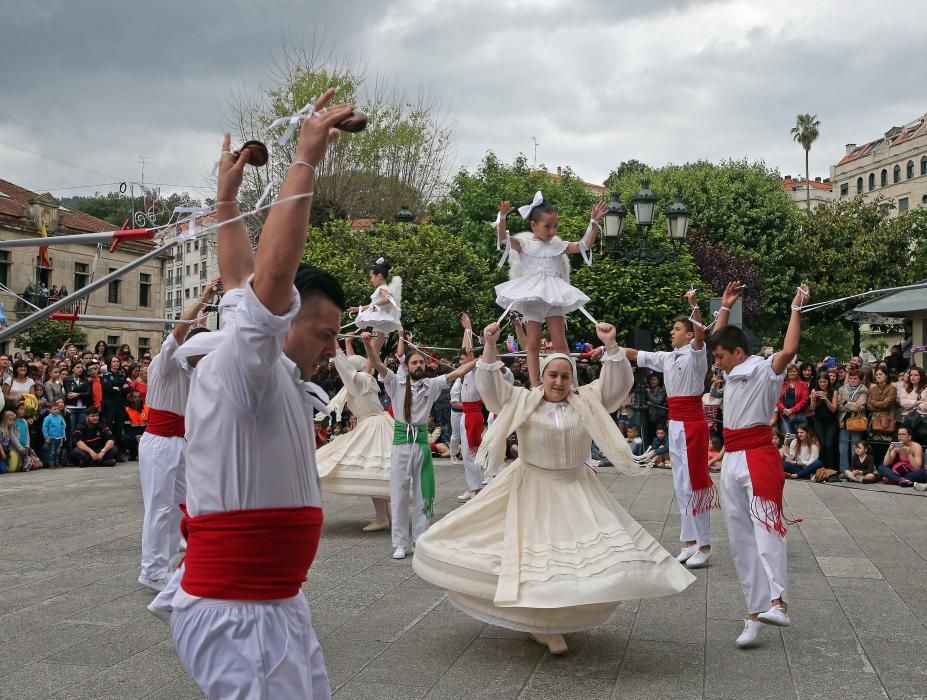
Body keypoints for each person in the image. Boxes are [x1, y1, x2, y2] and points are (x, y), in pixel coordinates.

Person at [169, 93, 354, 699]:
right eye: (324, 335)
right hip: (237, 613)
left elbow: (239, 281)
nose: (332, 350)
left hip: (276, 604)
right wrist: (305, 159)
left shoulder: (260, 367)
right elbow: (267, 282)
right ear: (285, 318)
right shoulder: (242, 366)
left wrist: (226, 204)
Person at [413, 320, 694, 655]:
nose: (559, 382)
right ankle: (542, 624)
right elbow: (491, 390)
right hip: (531, 486)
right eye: (553, 375)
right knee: (536, 558)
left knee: (577, 560)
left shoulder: (586, 400)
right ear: (542, 376)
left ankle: (555, 620)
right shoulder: (523, 400)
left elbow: (616, 387)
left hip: (576, 487)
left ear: (572, 378)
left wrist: (613, 346)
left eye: (565, 376)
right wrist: (489, 344)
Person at [708, 281, 809, 648]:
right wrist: (725, 306)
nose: (715, 364)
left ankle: (779, 602)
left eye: (719, 357)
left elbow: (789, 349)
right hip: (732, 458)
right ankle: (754, 614)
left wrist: (796, 308)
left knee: (767, 529)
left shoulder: (766, 369)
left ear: (737, 352)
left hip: (758, 458)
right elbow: (719, 339)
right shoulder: (730, 370)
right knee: (739, 540)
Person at [362, 331, 476, 559]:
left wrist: (484, 356)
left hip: (422, 443)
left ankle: (420, 539)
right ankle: (401, 543)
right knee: (399, 492)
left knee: (423, 493)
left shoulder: (432, 385)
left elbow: (459, 371)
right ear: (408, 366)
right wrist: (367, 343)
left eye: (422, 361)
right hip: (401, 443)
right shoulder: (395, 382)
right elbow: (375, 362)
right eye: (414, 362)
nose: (419, 365)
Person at [137, 285, 219, 592]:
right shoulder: (166, 363)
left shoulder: (192, 370)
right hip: (159, 442)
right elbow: (181, 332)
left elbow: (196, 332)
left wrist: (204, 317)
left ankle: (169, 561)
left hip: (181, 442)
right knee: (159, 507)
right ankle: (152, 570)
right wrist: (203, 299)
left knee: (181, 505)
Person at [626, 291, 715, 568]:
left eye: (677, 329)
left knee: (695, 483)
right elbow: (637, 354)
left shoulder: (696, 355)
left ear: (689, 335)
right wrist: (608, 348)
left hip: (692, 425)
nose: (672, 332)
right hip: (675, 424)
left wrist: (694, 306)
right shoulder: (668, 357)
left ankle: (705, 544)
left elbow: (701, 333)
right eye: (673, 329)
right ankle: (688, 542)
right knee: (680, 484)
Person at [493, 194, 607, 387]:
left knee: (560, 342)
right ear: (533, 225)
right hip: (532, 296)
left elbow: (584, 245)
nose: (552, 231)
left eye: (555, 226)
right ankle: (536, 384)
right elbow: (503, 238)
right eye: (547, 226)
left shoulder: (558, 245)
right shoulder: (524, 244)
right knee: (533, 343)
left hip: (554, 295)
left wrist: (593, 222)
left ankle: (571, 384)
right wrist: (502, 217)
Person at [316, 338, 394, 533]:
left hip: (373, 426)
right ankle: (385, 515)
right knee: (376, 470)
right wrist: (349, 341)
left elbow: (343, 361)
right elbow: (353, 362)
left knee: (373, 471)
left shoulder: (359, 381)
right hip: (373, 424)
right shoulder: (363, 379)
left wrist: (333, 336)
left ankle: (383, 516)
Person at [456, 313, 514, 502]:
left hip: (475, 414)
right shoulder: (465, 373)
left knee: (477, 451)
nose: (460, 362)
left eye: (462, 359)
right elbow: (466, 350)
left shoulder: (475, 368)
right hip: (467, 414)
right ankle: (475, 486)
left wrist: (468, 328)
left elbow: (469, 351)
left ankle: (490, 480)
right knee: (468, 452)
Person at [349, 257, 402, 358]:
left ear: (378, 276)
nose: (371, 279)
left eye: (371, 277)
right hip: (380, 325)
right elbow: (372, 305)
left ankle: (368, 372)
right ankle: (369, 371)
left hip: (381, 324)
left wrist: (374, 305)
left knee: (372, 354)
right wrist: (358, 309)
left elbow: (386, 299)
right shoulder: (382, 288)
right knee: (373, 353)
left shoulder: (382, 288)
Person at [837, 369, 869, 475]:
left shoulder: (863, 390)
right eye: (851, 378)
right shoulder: (842, 389)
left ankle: (854, 471)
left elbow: (860, 406)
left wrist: (845, 402)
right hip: (843, 421)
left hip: (857, 422)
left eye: (855, 378)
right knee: (842, 448)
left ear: (860, 380)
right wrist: (852, 404)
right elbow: (838, 406)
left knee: (855, 449)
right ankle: (843, 471)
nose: (852, 380)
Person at [101, 356, 129, 459]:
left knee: (119, 428)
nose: (116, 363)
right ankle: (108, 452)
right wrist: (120, 388)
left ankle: (118, 453)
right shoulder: (106, 375)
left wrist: (118, 388)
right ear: (110, 363)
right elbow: (108, 388)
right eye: (114, 361)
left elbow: (127, 389)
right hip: (109, 405)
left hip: (120, 405)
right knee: (109, 427)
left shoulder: (122, 375)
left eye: (118, 361)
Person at [809, 373, 838, 470]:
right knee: (820, 445)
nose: (822, 384)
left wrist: (825, 399)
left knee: (829, 445)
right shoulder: (814, 390)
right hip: (818, 421)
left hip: (831, 422)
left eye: (824, 382)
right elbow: (812, 408)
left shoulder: (833, 392)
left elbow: (833, 409)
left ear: (828, 382)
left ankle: (829, 468)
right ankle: (820, 467)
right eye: (820, 382)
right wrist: (813, 398)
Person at [777, 365, 810, 436]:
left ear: (798, 373)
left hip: (799, 415)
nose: (792, 373)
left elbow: (804, 400)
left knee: (802, 437)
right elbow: (777, 399)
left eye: (794, 371)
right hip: (785, 415)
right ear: (787, 373)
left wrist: (792, 410)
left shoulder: (803, 384)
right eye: (790, 372)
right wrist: (784, 409)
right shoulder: (783, 384)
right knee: (790, 438)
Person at [42, 402, 66, 467]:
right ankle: (51, 464)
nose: (56, 410)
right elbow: (44, 428)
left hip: (59, 437)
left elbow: (62, 426)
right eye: (54, 409)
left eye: (57, 409)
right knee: (52, 452)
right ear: (49, 410)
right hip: (51, 438)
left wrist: (63, 435)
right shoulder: (47, 418)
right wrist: (46, 437)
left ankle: (57, 463)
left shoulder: (60, 417)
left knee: (58, 452)